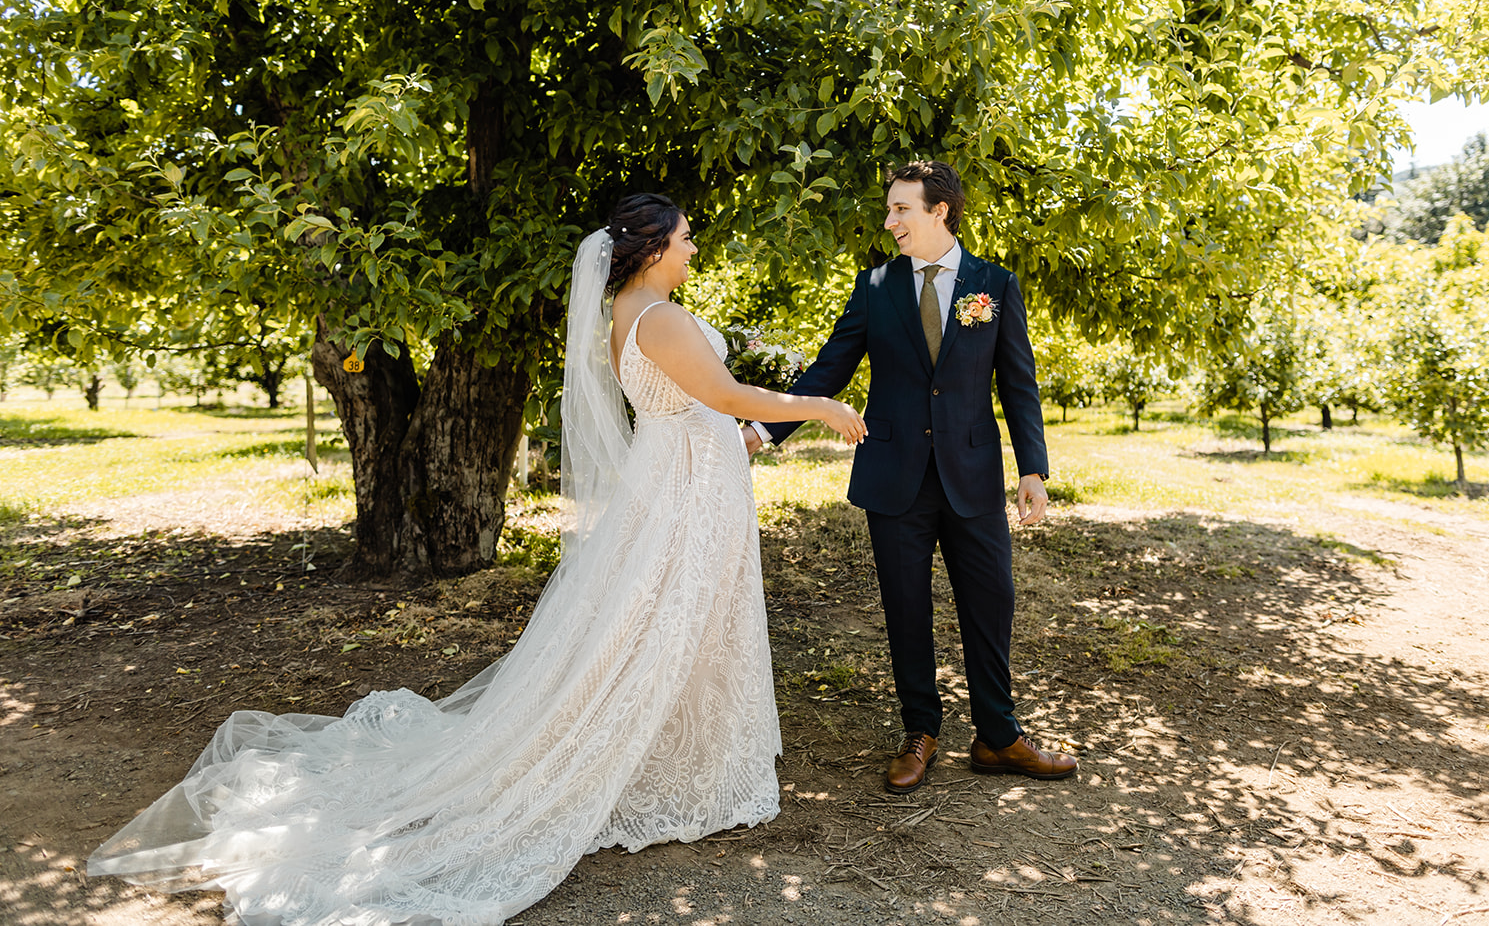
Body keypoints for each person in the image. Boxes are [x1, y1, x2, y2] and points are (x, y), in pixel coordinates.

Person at [87, 193, 866, 925]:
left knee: (668, 621)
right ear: (656, 246)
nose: (695, 247)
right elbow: (726, 396)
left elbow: (700, 402)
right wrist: (820, 406)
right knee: (669, 622)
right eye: (687, 237)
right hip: (687, 486)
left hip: (683, 478)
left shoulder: (631, 312)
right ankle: (663, 764)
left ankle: (679, 756)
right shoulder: (659, 317)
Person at [745, 160, 1077, 794]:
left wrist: (1032, 468)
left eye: (901, 208)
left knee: (991, 602)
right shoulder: (875, 286)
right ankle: (920, 731)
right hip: (894, 475)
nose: (889, 220)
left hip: (972, 474)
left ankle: (998, 736)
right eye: (889, 209)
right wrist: (762, 431)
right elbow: (829, 369)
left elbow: (1019, 383)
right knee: (905, 608)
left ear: (938, 210)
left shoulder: (994, 285)